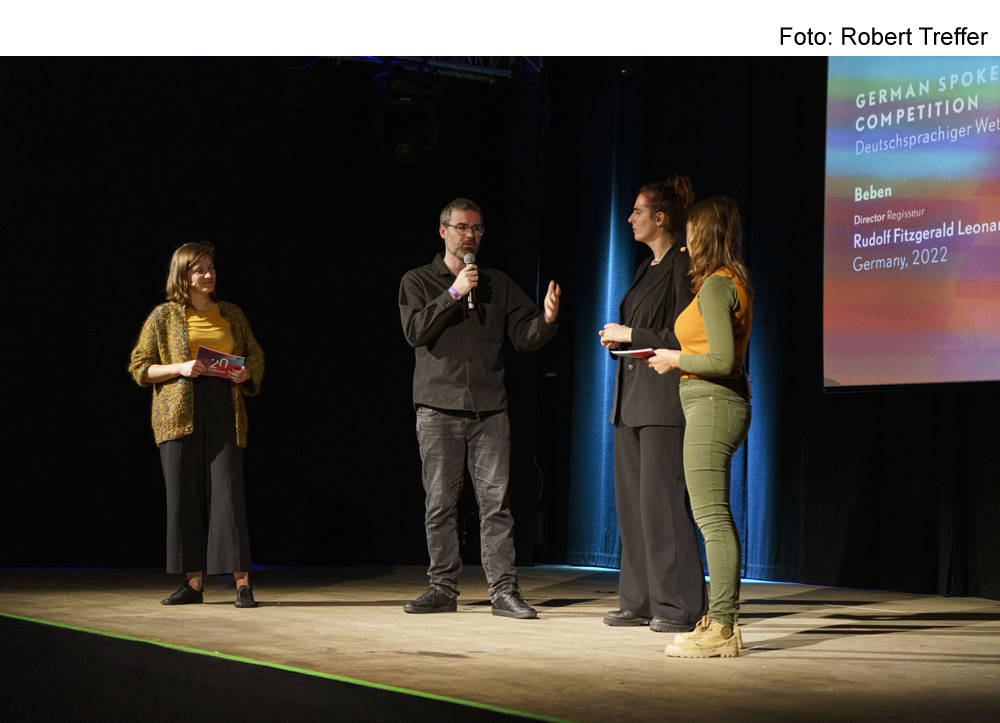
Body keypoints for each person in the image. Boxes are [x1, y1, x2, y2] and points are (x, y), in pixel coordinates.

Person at [398, 198, 561, 619]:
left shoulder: (496, 283)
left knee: (496, 505)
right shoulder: (418, 280)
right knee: (440, 504)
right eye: (462, 227)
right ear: (443, 231)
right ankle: (442, 587)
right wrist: (454, 293)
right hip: (438, 408)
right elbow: (414, 331)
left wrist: (546, 319)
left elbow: (523, 335)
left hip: (489, 410)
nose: (470, 235)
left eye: (477, 228)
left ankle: (503, 591)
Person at [598, 177, 708, 634]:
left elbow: (685, 336)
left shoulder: (684, 266)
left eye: (638, 212)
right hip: (631, 402)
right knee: (633, 508)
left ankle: (679, 605)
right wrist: (619, 340)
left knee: (663, 506)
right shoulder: (647, 267)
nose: (630, 219)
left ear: (660, 218)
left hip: (664, 403)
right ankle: (639, 599)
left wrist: (630, 334)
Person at [129, 242, 264, 608]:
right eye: (200, 270)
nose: (209, 274)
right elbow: (140, 367)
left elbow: (253, 354)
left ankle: (242, 585)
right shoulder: (164, 316)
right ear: (183, 275)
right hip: (178, 414)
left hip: (224, 409)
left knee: (229, 495)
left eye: (211, 268)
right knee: (183, 497)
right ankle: (192, 584)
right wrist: (180, 368)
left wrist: (247, 372)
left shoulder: (230, 313)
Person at [646, 196, 753, 658]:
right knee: (712, 515)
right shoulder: (725, 281)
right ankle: (718, 620)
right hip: (712, 403)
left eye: (690, 230)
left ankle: (724, 627)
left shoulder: (716, 285)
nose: (685, 239)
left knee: (712, 517)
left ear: (704, 234)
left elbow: (723, 360)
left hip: (713, 403)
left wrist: (674, 358)